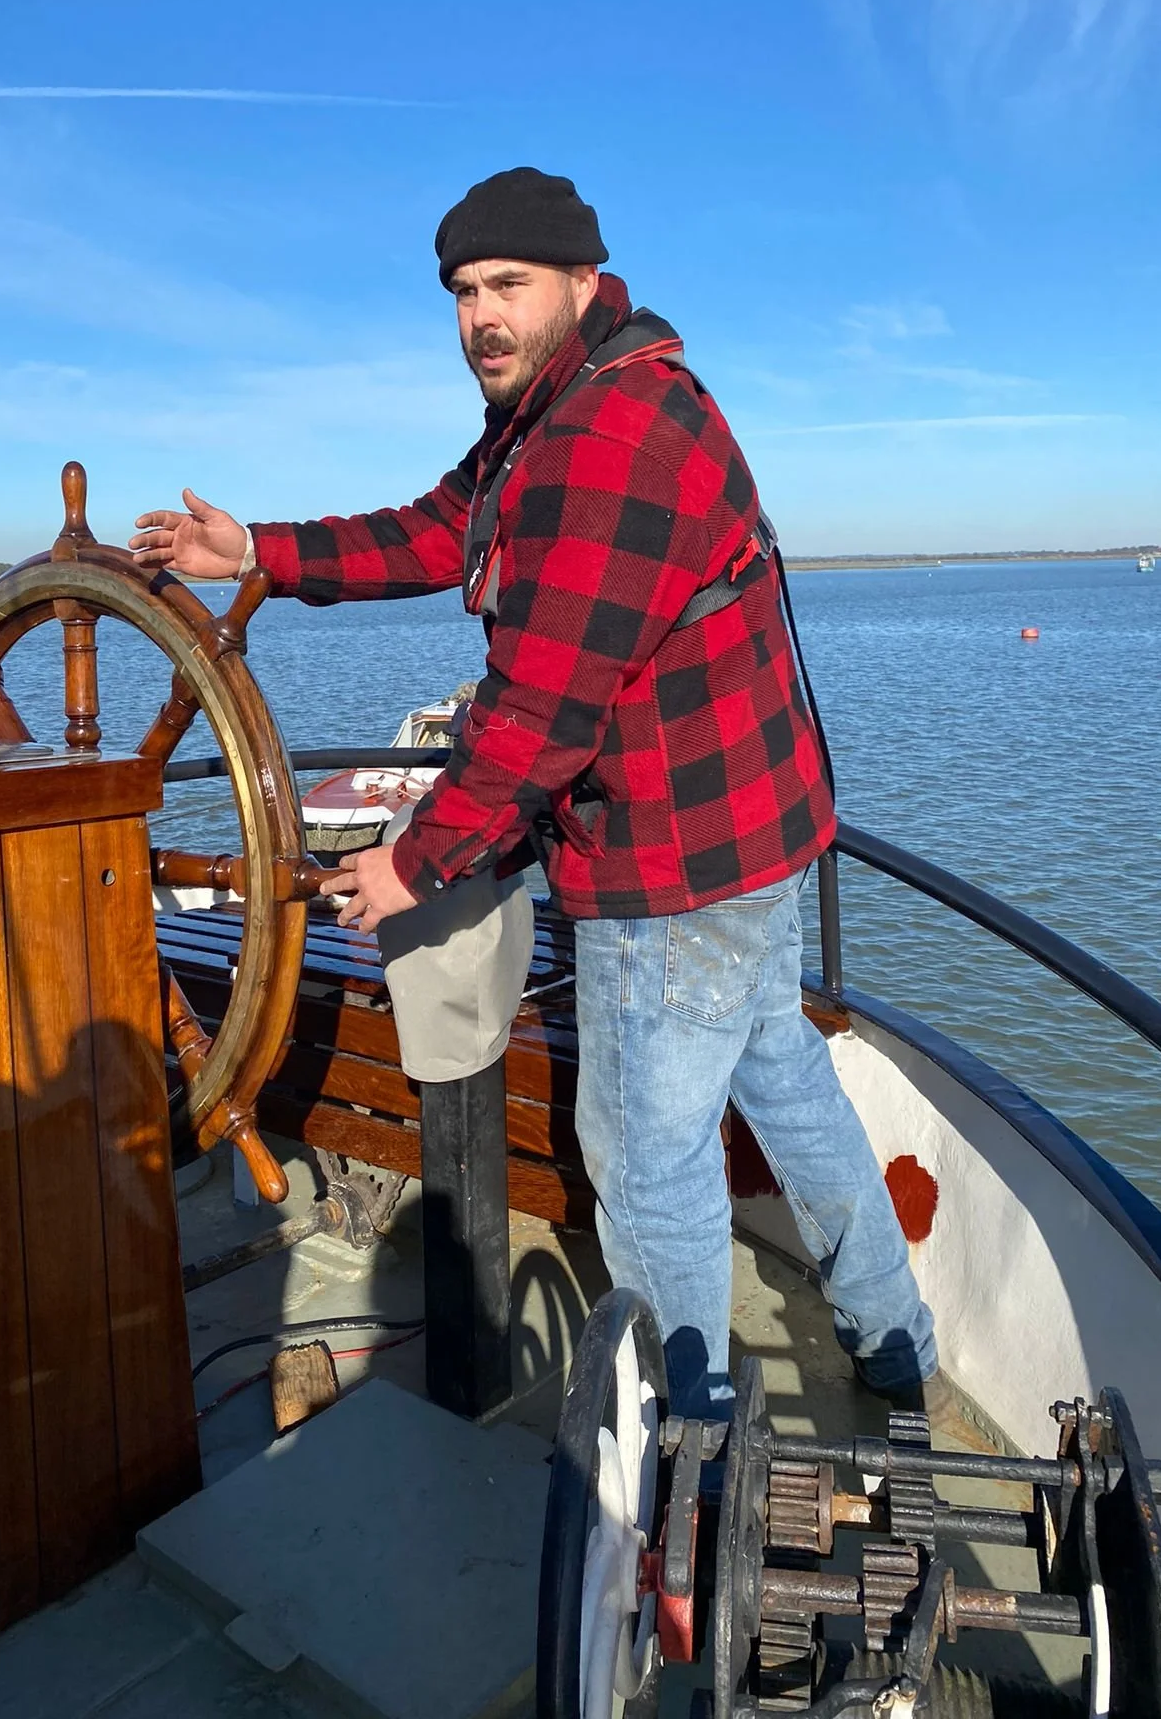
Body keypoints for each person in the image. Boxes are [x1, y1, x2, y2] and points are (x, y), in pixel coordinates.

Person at [131, 165, 938, 1421]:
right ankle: (896, 1337)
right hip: (756, 834)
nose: (480, 317)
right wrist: (260, 553)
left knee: (648, 1159)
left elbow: (541, 716)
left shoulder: (607, 440)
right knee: (783, 1073)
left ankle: (688, 1434)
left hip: (671, 866)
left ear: (580, 278)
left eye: (506, 284)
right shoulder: (562, 404)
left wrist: (413, 862)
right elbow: (438, 526)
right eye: (462, 292)